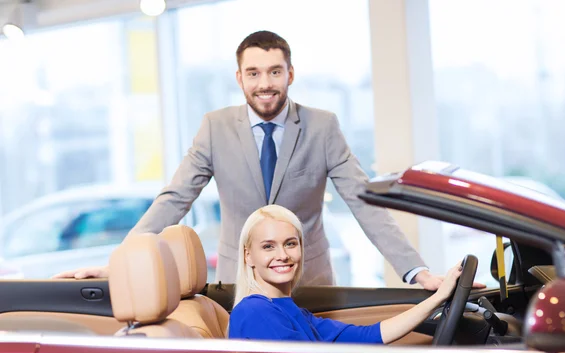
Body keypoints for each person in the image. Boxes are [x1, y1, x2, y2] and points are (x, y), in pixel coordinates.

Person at [55, 30, 479, 290]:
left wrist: (418, 273)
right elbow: (174, 200)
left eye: (275, 71)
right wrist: (121, 261)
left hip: (309, 281)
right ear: (239, 78)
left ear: (290, 74)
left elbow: (364, 203)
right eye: (254, 73)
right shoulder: (214, 127)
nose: (265, 84)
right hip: (239, 283)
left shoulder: (323, 126)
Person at [228, 205, 462, 343]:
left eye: (290, 244)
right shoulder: (254, 312)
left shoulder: (292, 311)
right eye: (268, 246)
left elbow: (370, 336)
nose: (282, 255)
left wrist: (438, 298)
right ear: (248, 256)